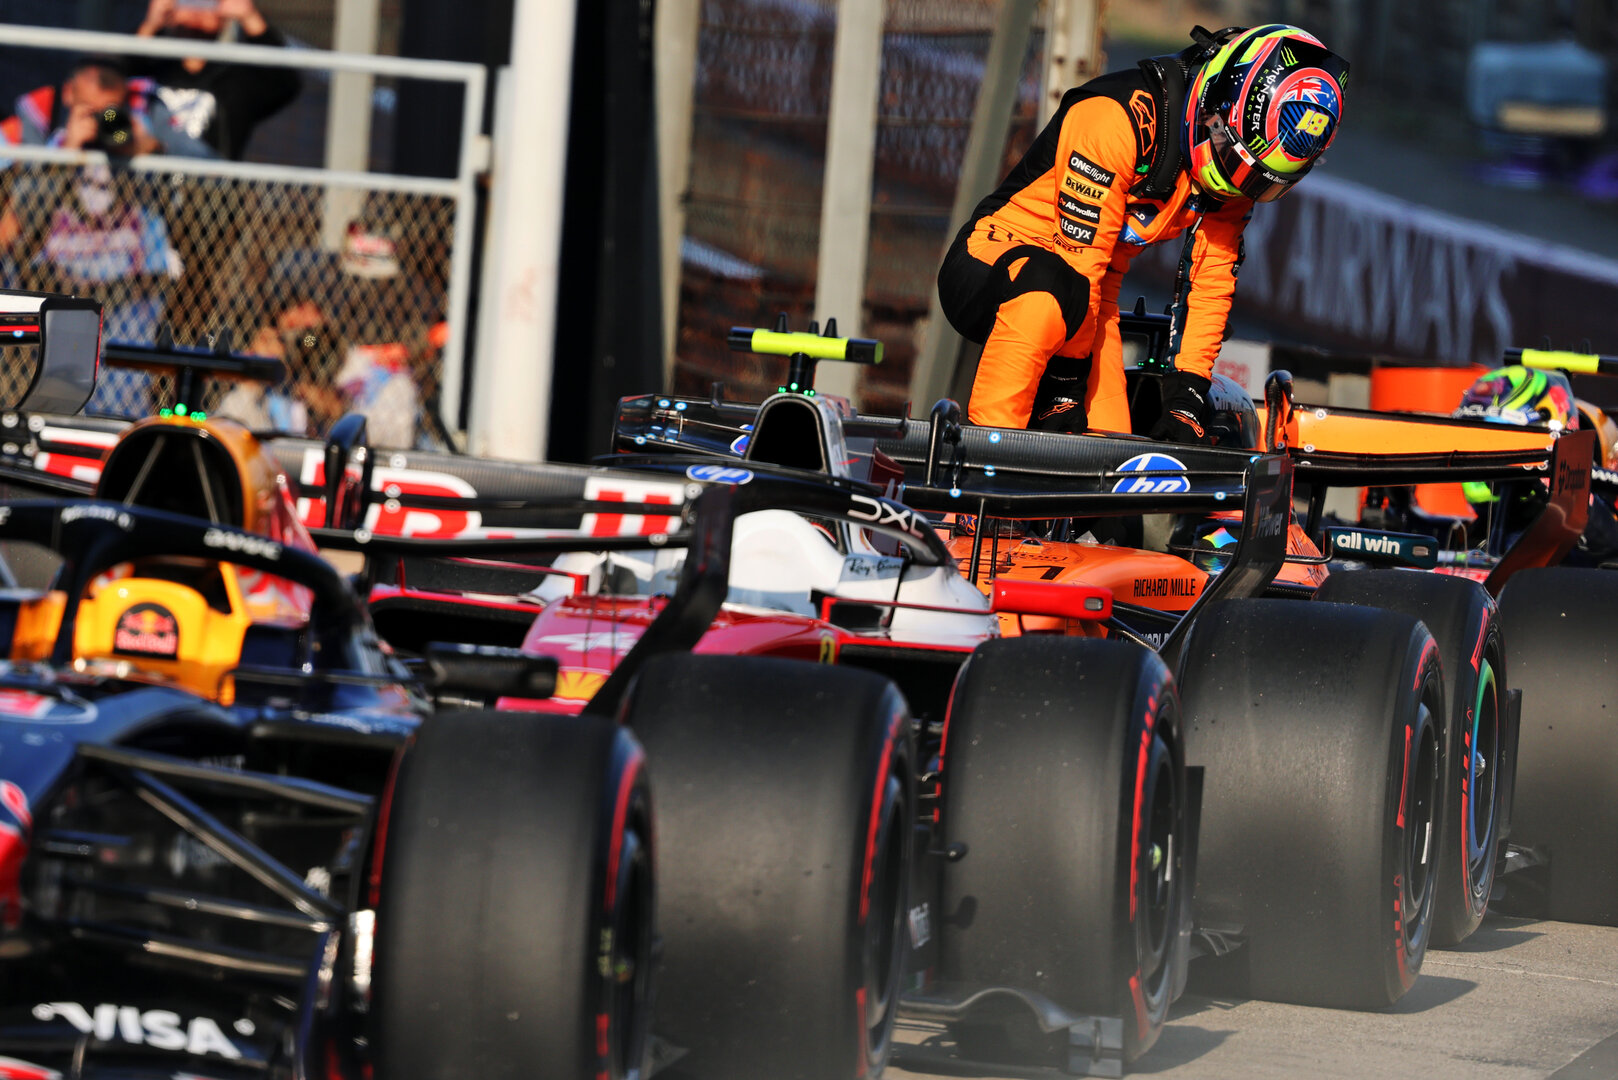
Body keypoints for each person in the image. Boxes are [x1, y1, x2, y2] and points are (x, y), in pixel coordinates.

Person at [937, 24, 1348, 441]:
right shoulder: (1113, 118)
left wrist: (1187, 399)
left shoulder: (1231, 175)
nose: (1239, 184)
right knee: (1048, 292)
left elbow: (1210, 281)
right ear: (1215, 106)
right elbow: (1080, 264)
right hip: (993, 264)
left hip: (1091, 301)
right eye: (1234, 159)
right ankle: (979, 476)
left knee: (1115, 458)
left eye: (1260, 182)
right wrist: (1066, 389)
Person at [131, 0, 301, 161]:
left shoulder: (235, 80)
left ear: (224, 20)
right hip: (137, 185)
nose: (197, 9)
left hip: (212, 187)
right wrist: (149, 26)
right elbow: (110, 93)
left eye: (208, 2)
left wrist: (251, 18)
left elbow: (286, 84)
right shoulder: (145, 71)